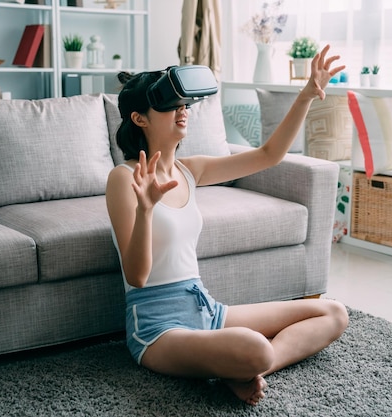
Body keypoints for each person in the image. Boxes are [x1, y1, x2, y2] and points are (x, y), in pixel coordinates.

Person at [106, 45, 349, 406]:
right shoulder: (124, 179)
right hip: (158, 330)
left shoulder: (191, 170)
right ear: (140, 118)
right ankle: (245, 363)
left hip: (206, 309)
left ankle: (248, 372)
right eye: (171, 106)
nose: (183, 111)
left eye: (184, 104)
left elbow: (269, 155)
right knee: (254, 346)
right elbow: (137, 277)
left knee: (333, 313)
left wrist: (306, 95)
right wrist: (145, 210)